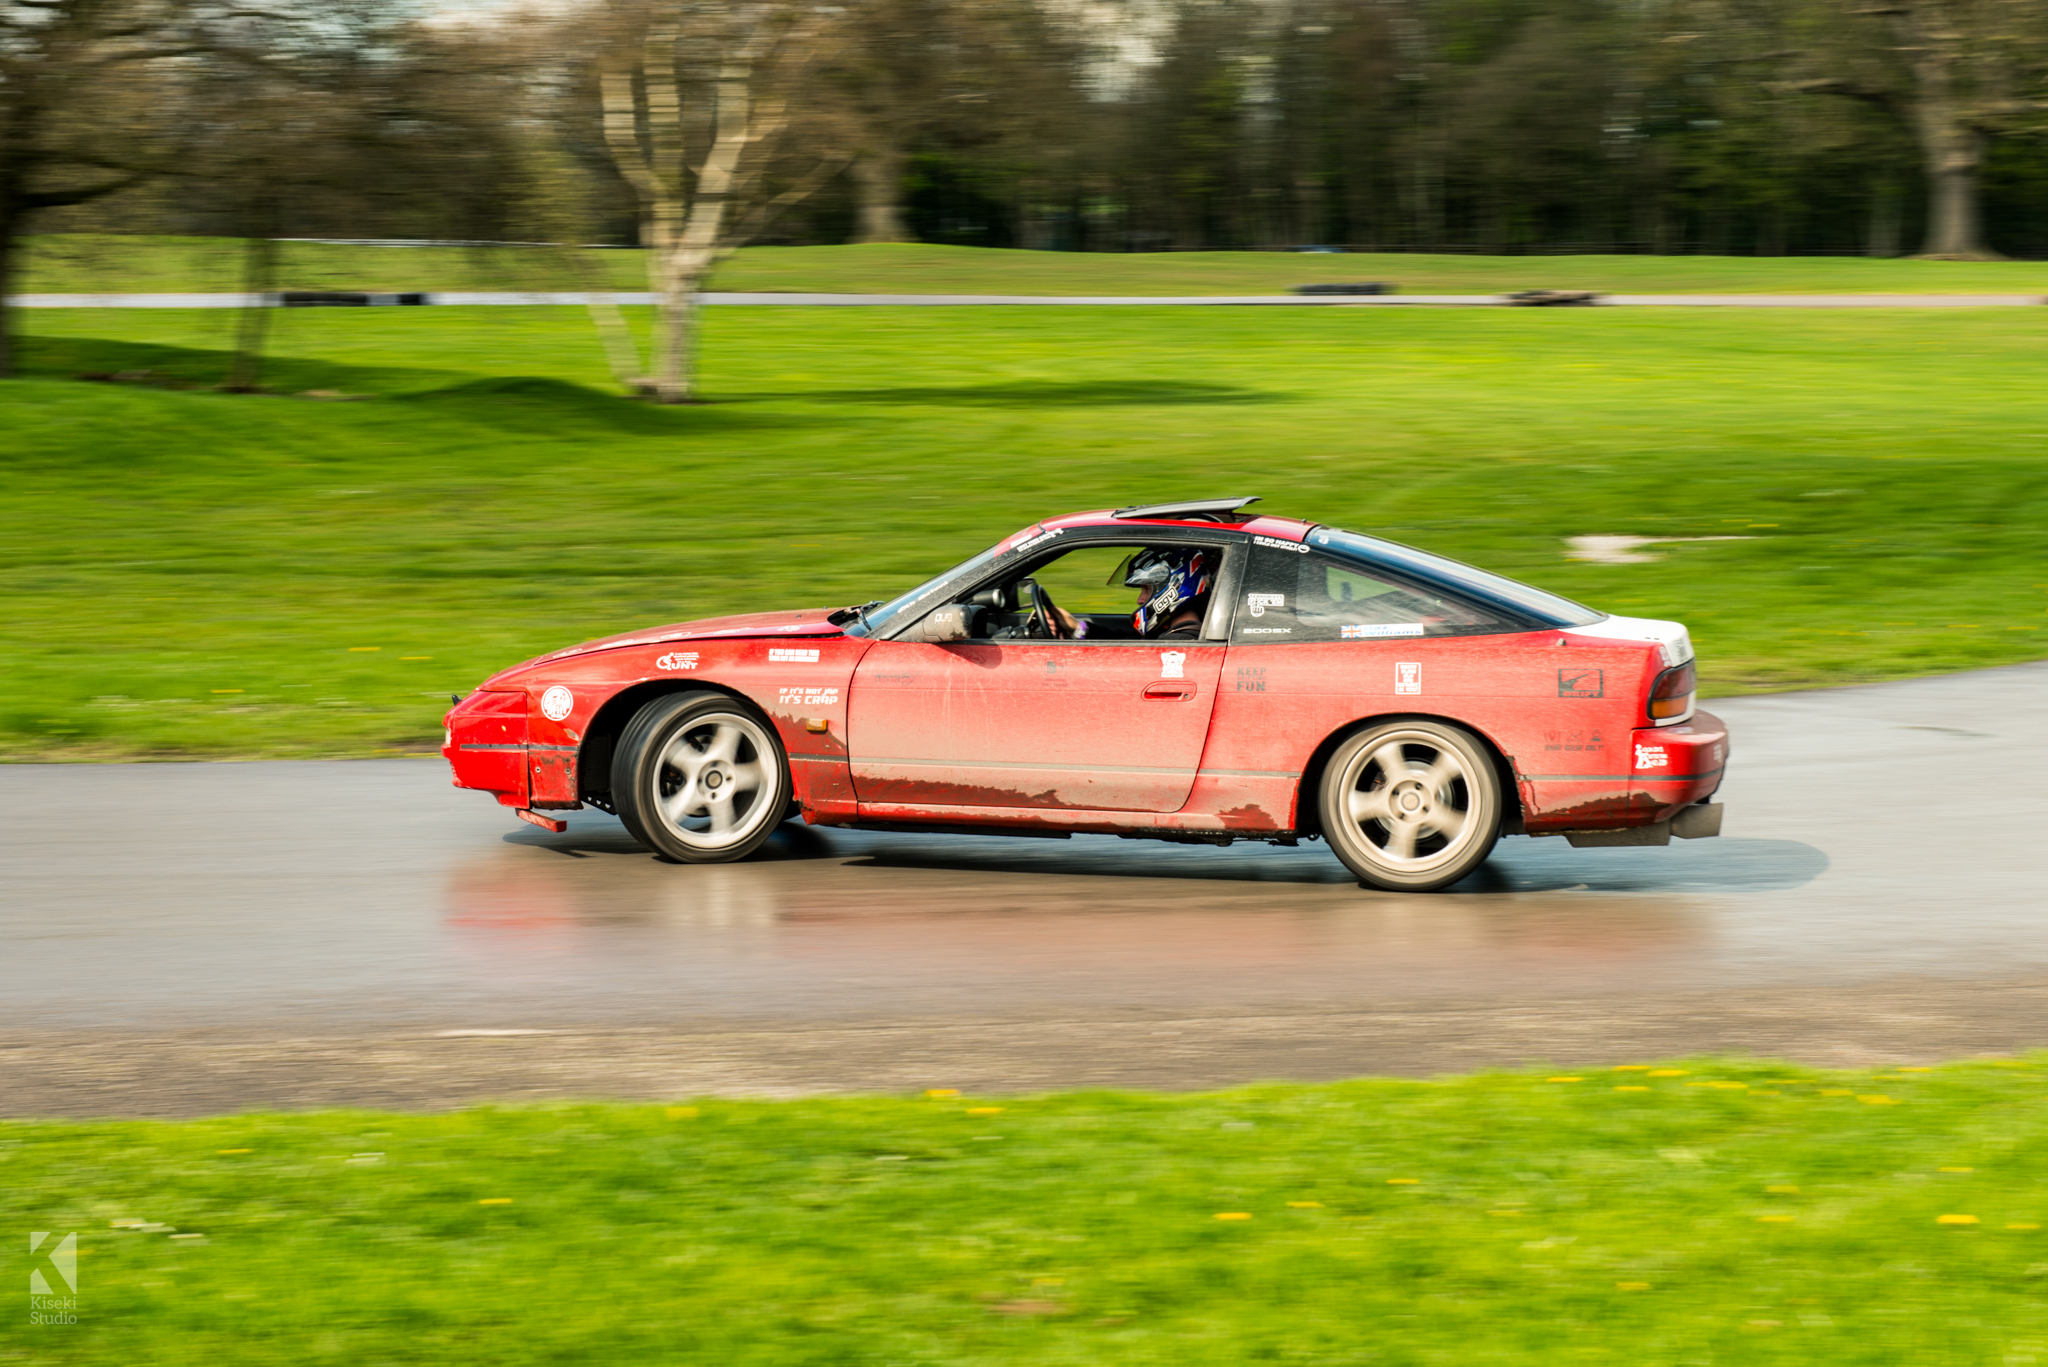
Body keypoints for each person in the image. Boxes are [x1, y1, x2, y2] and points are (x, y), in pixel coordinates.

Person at [1051, 547, 1212, 641]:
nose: (1139, 599)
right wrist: (1076, 627)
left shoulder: (1178, 644)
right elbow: (1123, 643)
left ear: (1174, 588)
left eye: (1146, 589)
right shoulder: (1166, 633)